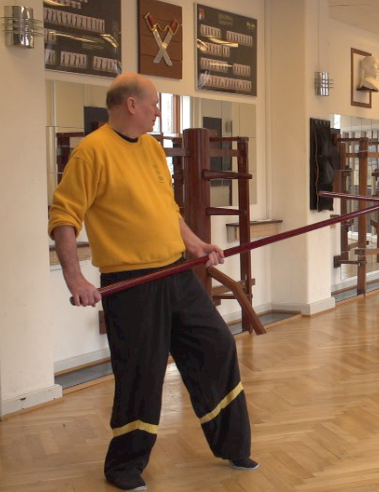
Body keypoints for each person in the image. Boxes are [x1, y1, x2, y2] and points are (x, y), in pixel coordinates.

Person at [48, 73, 257, 491]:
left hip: (176, 272)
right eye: (154, 104)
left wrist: (196, 245)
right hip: (131, 283)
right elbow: (64, 218)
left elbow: (168, 209)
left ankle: (232, 444)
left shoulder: (150, 149)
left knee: (216, 345)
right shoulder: (91, 153)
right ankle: (123, 467)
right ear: (131, 104)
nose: (158, 111)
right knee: (142, 373)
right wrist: (76, 278)